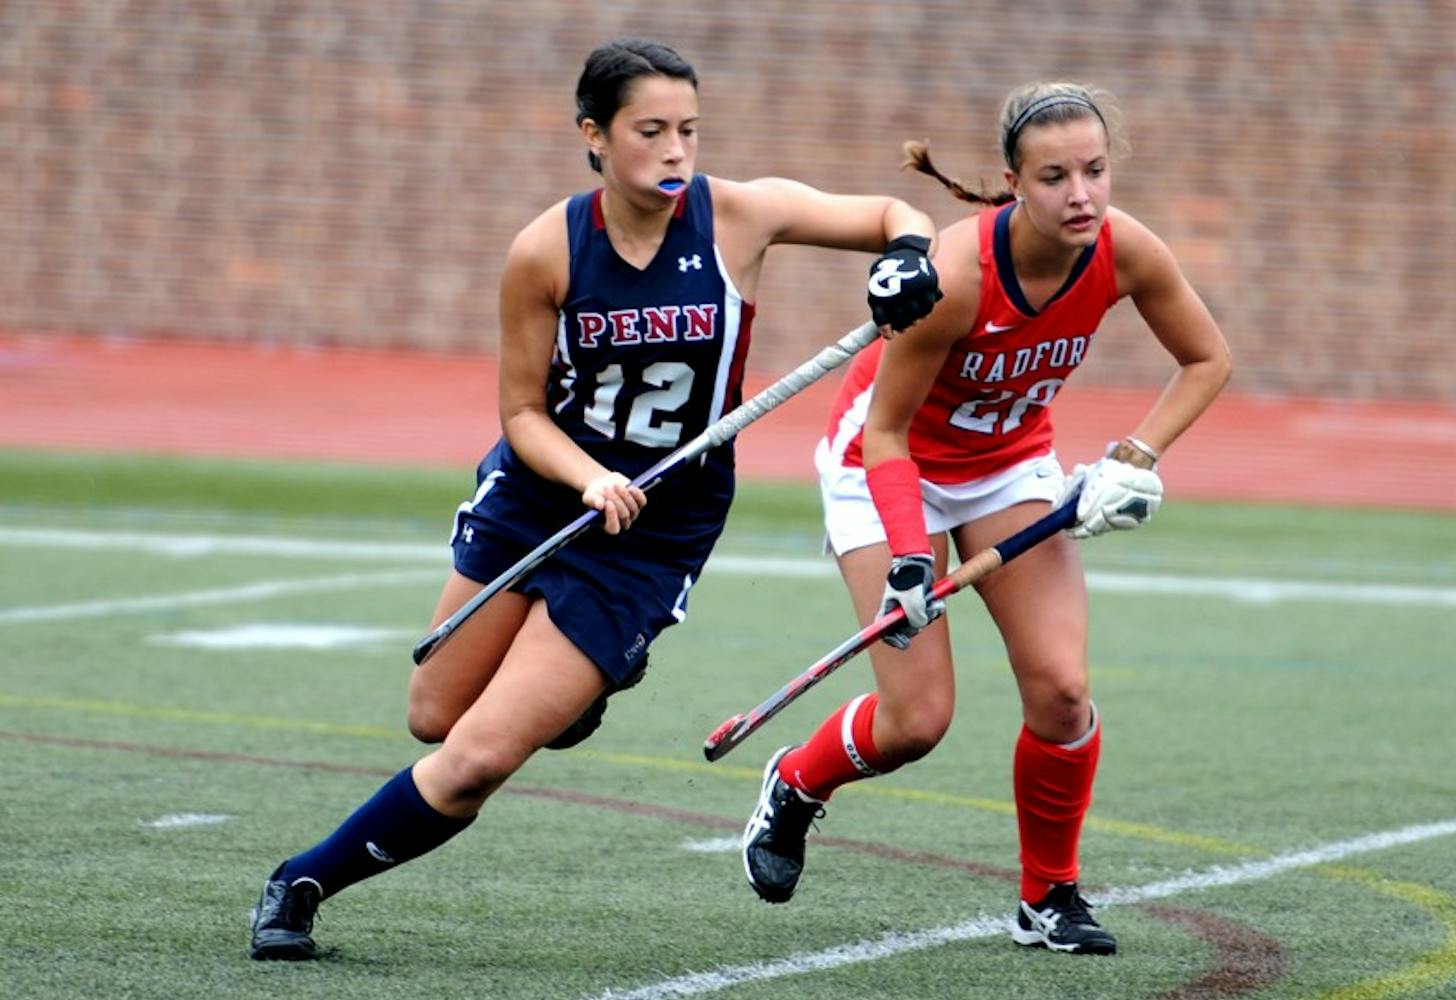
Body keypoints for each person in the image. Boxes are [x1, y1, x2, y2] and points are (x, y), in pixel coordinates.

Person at [246, 37, 940, 960]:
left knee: (478, 760)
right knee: (433, 715)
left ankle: (301, 883)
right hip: (542, 497)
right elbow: (522, 411)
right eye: (649, 131)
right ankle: (575, 695)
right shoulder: (546, 249)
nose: (675, 152)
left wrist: (908, 258)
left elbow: (899, 211)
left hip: (654, 531)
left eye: (687, 130)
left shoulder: (737, 216)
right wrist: (587, 476)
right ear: (595, 135)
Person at [741, 81, 1231, 957]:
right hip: (885, 466)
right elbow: (885, 432)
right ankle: (795, 782)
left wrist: (1135, 455)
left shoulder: (1126, 252)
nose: (1081, 194)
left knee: (1062, 690)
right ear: (1013, 182)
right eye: (1054, 177)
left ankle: (1048, 898)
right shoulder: (960, 278)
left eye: (1095, 170)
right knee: (917, 723)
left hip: (1007, 464)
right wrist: (907, 560)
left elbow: (1206, 358)